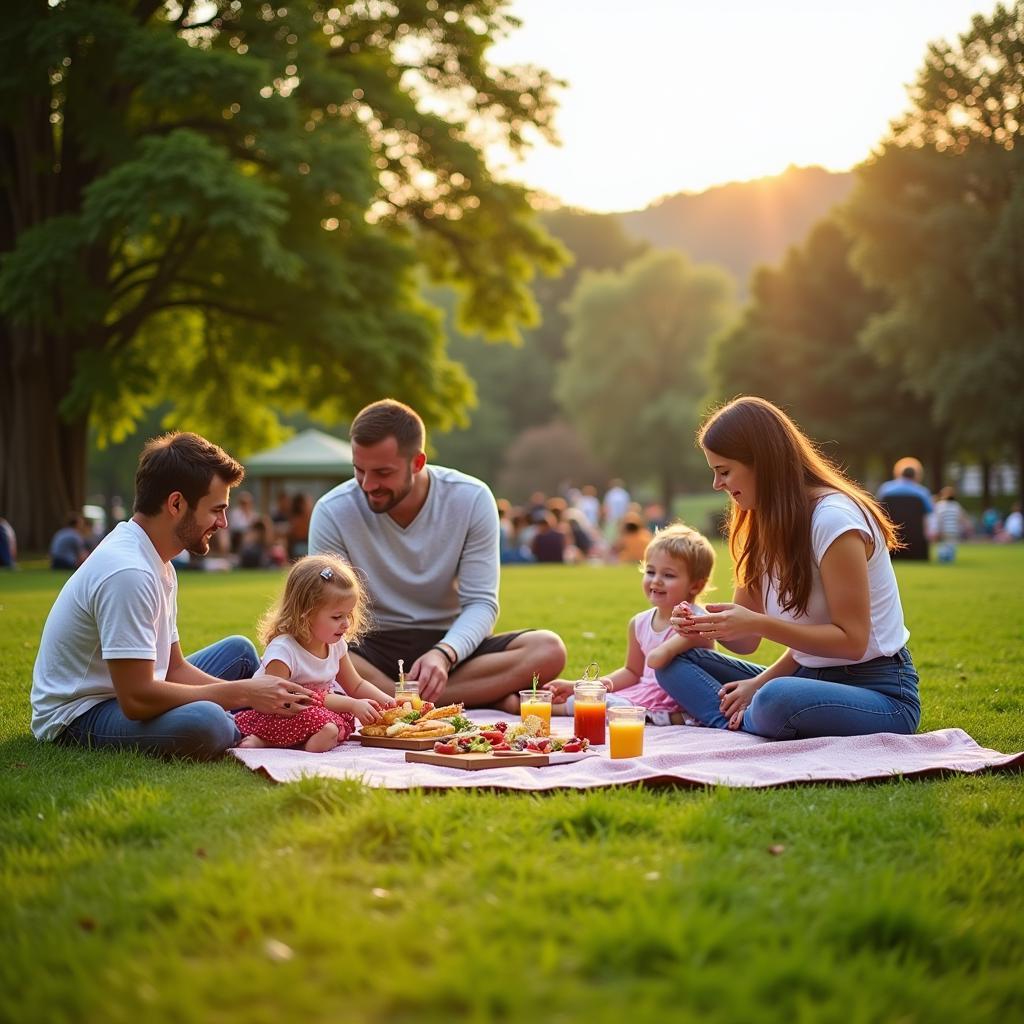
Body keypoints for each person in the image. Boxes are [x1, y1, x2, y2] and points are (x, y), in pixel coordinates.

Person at [30, 431, 316, 760]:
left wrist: (250, 694)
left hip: (125, 694)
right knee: (209, 724)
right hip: (80, 715)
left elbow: (174, 668)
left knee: (239, 652)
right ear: (176, 503)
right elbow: (137, 699)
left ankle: (255, 721)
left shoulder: (158, 560)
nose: (223, 523)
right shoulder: (130, 572)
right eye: (216, 510)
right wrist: (244, 694)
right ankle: (250, 724)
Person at [655, 396, 921, 740]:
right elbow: (747, 639)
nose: (717, 485)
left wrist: (761, 656)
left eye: (724, 471)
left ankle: (740, 722)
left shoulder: (834, 520)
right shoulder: (761, 523)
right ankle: (744, 721)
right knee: (674, 663)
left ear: (763, 464)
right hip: (807, 677)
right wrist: (701, 625)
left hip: (880, 693)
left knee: (775, 699)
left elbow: (852, 642)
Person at [308, 398, 566, 708]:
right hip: (366, 646)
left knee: (548, 649)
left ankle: (396, 702)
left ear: (417, 463)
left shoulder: (470, 498)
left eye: (382, 472)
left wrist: (444, 653)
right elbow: (322, 611)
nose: (367, 484)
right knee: (315, 653)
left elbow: (481, 602)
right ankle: (482, 697)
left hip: (449, 644)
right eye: (358, 469)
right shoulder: (332, 510)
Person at [545, 523, 716, 725]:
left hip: (678, 698)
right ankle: (528, 704)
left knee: (608, 706)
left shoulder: (697, 621)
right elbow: (632, 672)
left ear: (696, 585)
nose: (656, 581)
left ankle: (535, 707)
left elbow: (656, 661)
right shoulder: (640, 622)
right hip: (643, 693)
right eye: (651, 572)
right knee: (590, 699)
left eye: (668, 575)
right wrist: (583, 686)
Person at [236, 555, 395, 751]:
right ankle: (268, 741)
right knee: (329, 729)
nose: (345, 623)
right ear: (306, 614)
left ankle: (303, 739)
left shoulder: (335, 644)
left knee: (341, 721)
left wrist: (389, 702)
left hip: (314, 712)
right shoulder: (284, 650)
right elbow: (278, 702)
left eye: (348, 614)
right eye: (337, 616)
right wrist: (352, 704)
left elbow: (356, 684)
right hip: (280, 714)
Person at [877, 457, 932, 561]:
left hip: (893, 538)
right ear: (916, 475)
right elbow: (929, 513)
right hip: (915, 540)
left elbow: (880, 511)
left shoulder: (885, 489)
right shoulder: (922, 492)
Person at [932, 486, 972, 563]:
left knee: (943, 545)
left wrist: (936, 530)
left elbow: (938, 519)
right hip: (954, 530)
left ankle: (943, 559)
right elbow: (961, 517)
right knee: (951, 545)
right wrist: (967, 526)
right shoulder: (956, 505)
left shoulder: (940, 505)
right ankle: (949, 560)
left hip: (943, 529)